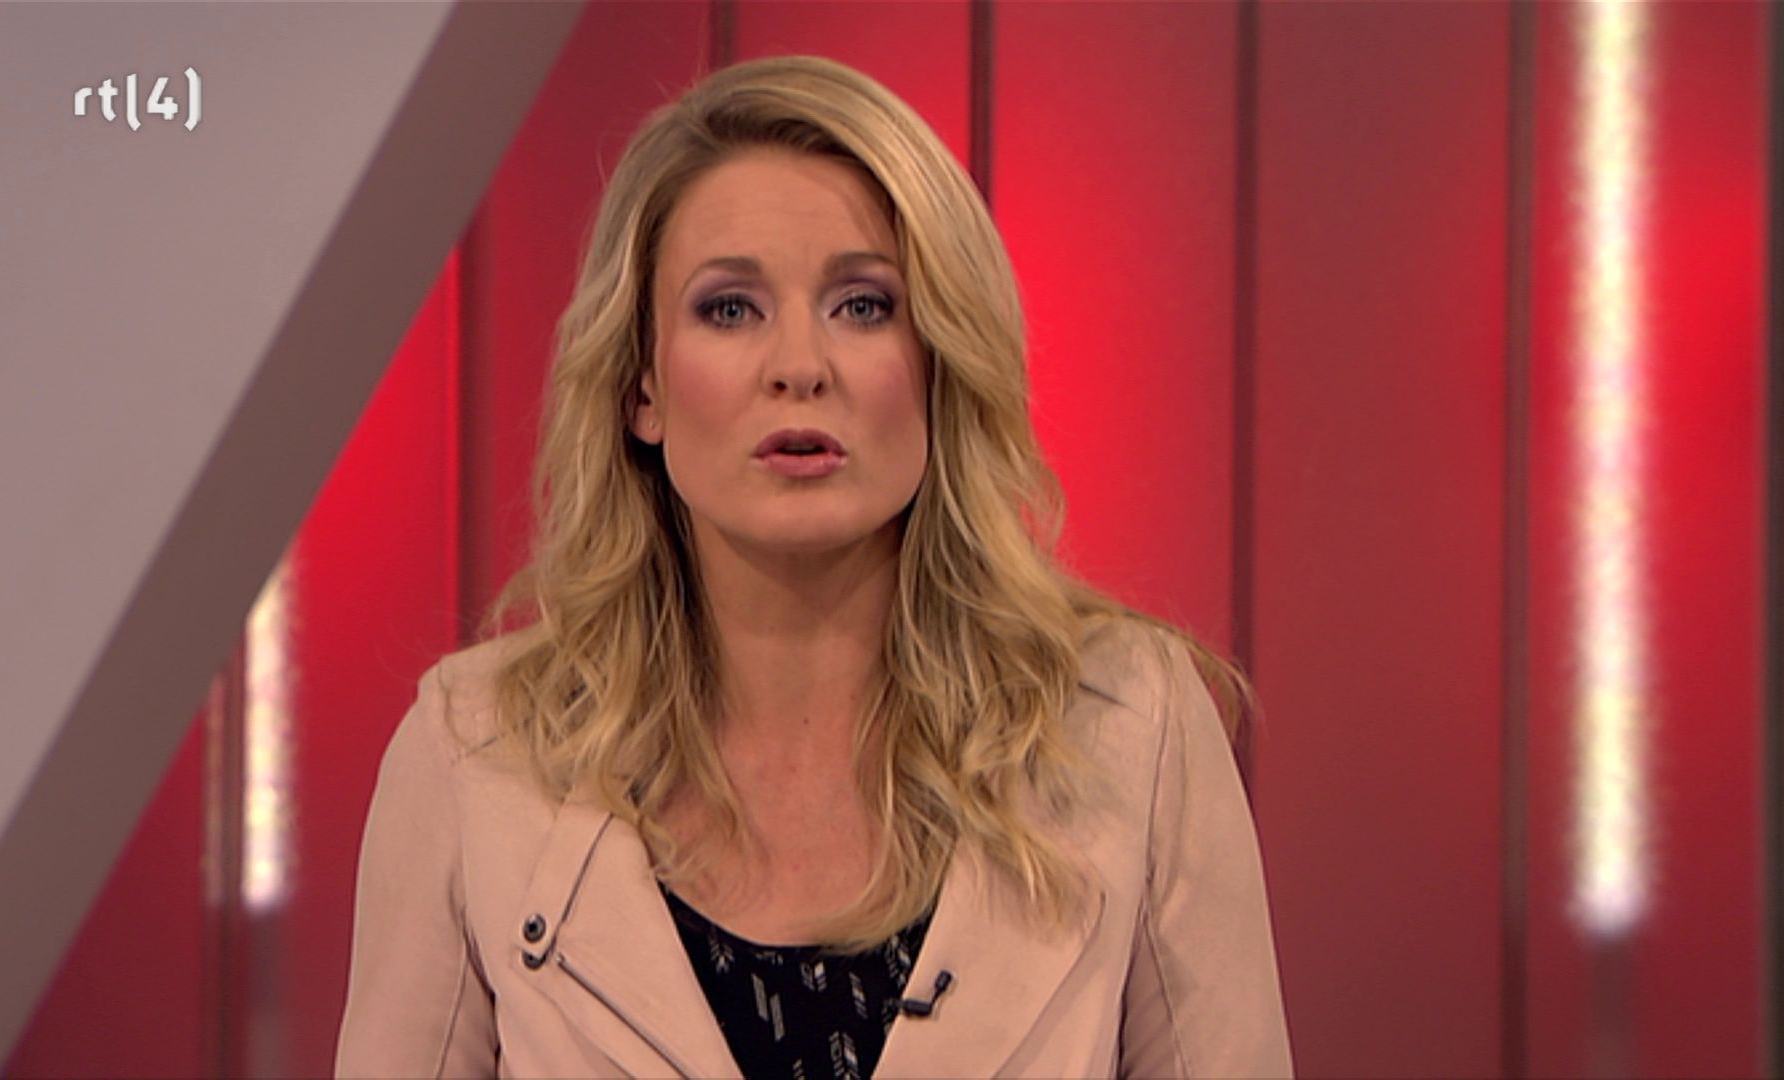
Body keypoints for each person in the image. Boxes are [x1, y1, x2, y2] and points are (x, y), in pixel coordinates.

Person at [336, 55, 1292, 1079]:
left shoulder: (1128, 730)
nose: (800, 366)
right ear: (642, 387)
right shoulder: (475, 755)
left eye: (863, 305)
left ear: (939, 363)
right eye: (729, 309)